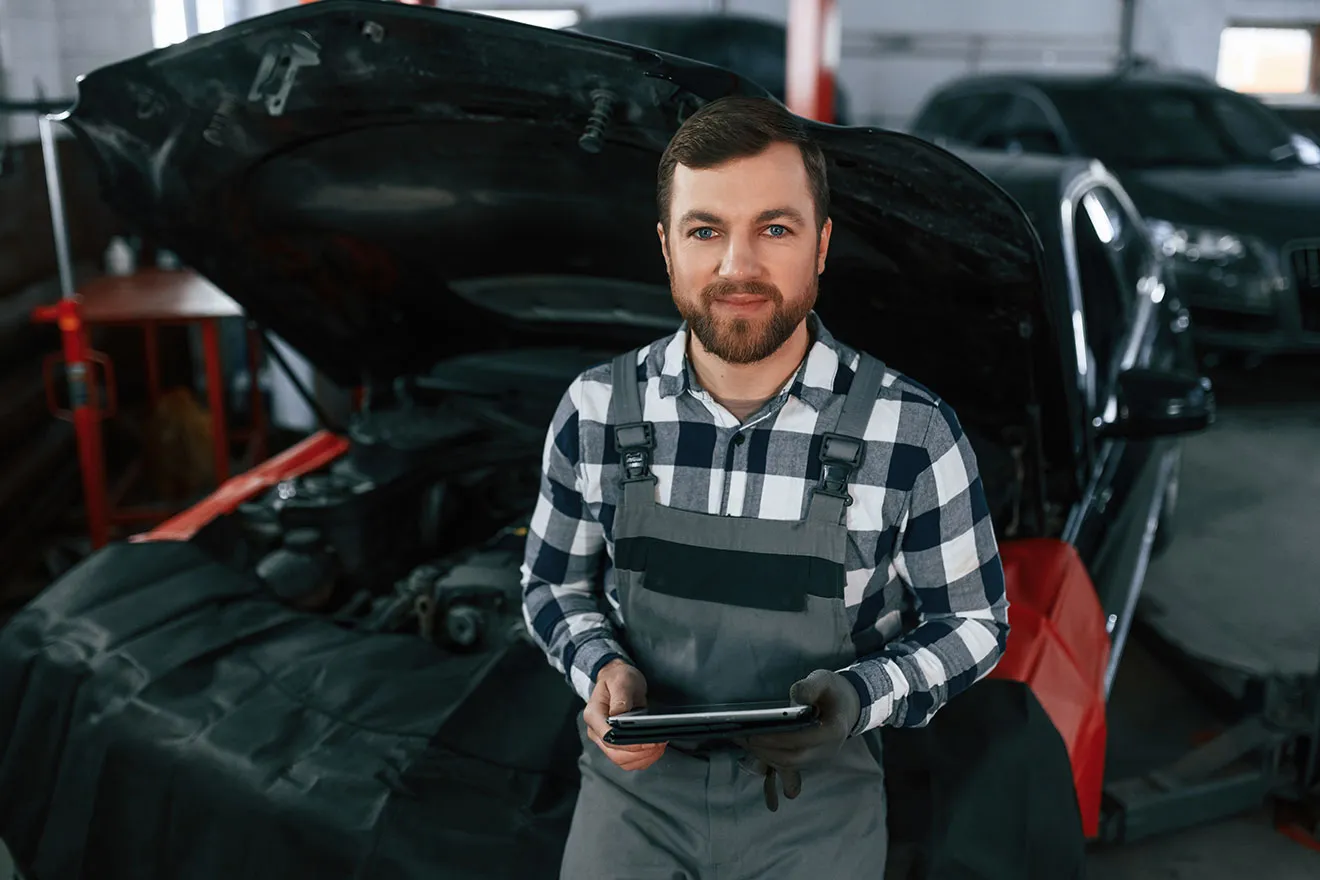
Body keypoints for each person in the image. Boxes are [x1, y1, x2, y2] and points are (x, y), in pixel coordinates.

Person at [520, 94, 1010, 878]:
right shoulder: (594, 412)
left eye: (774, 229)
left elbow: (975, 623)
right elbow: (553, 584)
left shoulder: (913, 433)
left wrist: (860, 696)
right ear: (666, 247)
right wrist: (602, 671)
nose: (737, 266)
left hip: (817, 805)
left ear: (821, 245)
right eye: (705, 230)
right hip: (635, 797)